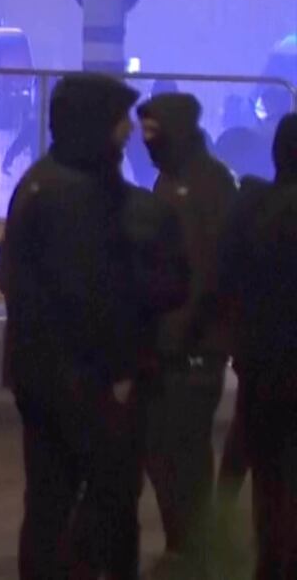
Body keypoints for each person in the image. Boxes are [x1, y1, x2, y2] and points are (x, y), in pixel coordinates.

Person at [0, 73, 190, 580]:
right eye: (120, 119)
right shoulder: (84, 198)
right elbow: (94, 297)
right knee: (110, 502)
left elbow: (10, 273)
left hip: (39, 376)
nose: (128, 131)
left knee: (47, 503)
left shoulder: (39, 182)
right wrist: (120, 372)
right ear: (96, 125)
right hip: (90, 383)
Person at [135, 92, 238, 579]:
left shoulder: (207, 184)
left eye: (154, 133)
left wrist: (183, 334)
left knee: (183, 455)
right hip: (169, 348)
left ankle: (195, 551)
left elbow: (209, 274)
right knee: (166, 452)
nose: (146, 143)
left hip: (194, 352)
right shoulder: (171, 178)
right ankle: (187, 546)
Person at [218, 113, 297, 579]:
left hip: (262, 364)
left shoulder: (254, 209)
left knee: (268, 477)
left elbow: (226, 280)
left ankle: (269, 562)